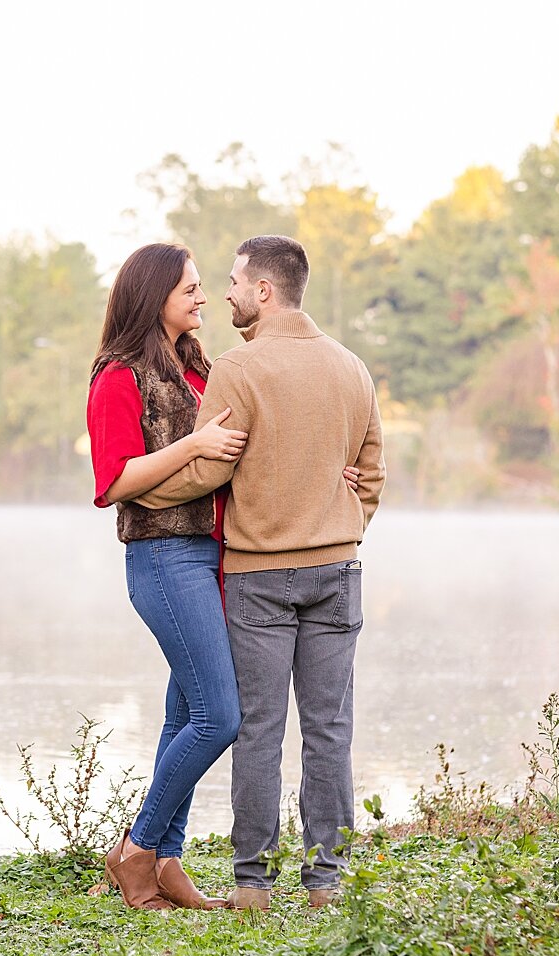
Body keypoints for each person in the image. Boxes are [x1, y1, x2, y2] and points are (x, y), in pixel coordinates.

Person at [134, 234, 385, 910]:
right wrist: (336, 524)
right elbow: (373, 476)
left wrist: (135, 491)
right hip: (338, 569)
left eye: (236, 282)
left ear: (265, 291)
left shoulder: (238, 370)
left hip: (257, 579)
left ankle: (253, 885)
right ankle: (327, 883)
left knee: (259, 732)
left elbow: (207, 469)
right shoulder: (353, 369)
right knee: (330, 731)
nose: (227, 293)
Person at [85, 242, 246, 910]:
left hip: (214, 558)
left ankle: (169, 862)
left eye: (206, 287)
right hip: (163, 558)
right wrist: (195, 445)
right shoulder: (118, 376)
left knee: (186, 710)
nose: (203, 298)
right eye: (191, 289)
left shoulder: (197, 367)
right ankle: (137, 848)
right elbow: (114, 478)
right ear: (157, 297)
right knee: (221, 716)